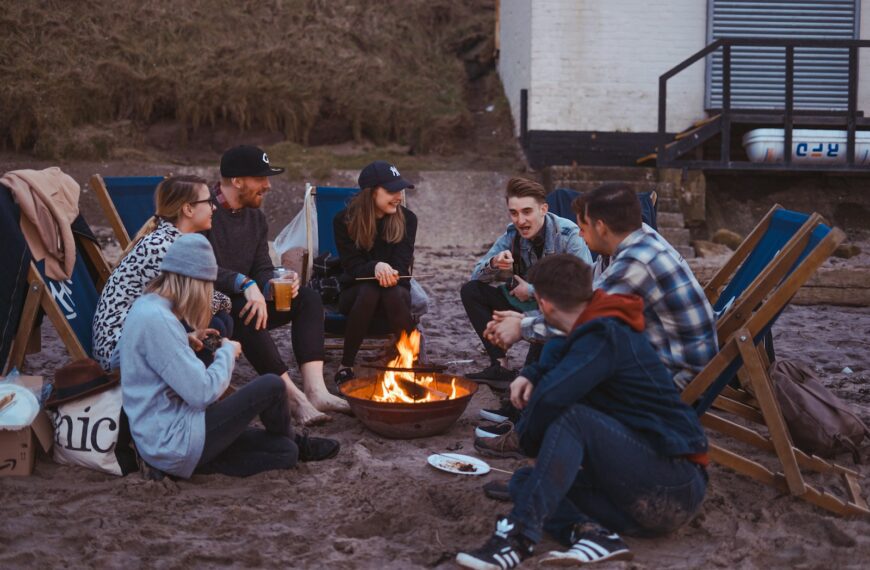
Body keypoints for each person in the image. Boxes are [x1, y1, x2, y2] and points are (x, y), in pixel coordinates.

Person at [456, 255, 708, 568]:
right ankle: (591, 534)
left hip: (673, 486)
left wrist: (528, 440)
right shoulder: (588, 322)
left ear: (543, 305)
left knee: (572, 419)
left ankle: (518, 539)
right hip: (632, 499)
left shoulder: (606, 333)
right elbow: (557, 352)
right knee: (525, 481)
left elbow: (551, 399)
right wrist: (532, 374)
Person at [119, 234, 340, 479]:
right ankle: (299, 443)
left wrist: (186, 340)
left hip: (169, 438)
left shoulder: (148, 306)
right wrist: (227, 352)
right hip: (174, 440)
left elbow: (155, 359)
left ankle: (291, 445)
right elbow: (202, 393)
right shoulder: (158, 320)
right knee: (272, 385)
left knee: (284, 453)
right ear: (194, 281)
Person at [485, 182, 717, 390]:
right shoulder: (628, 243)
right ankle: (524, 416)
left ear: (601, 227)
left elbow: (585, 318)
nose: (579, 234)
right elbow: (585, 296)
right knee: (559, 347)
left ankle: (527, 421)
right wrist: (527, 317)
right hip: (658, 352)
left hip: (679, 376)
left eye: (583, 228)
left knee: (570, 354)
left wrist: (521, 327)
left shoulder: (637, 262)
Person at [204, 145, 349, 426]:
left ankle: (316, 390)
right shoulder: (203, 210)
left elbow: (261, 265)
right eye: (261, 179)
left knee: (308, 298)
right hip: (213, 305)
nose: (268, 186)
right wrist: (246, 284)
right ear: (237, 181)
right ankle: (293, 398)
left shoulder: (255, 217)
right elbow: (200, 267)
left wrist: (274, 281)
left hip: (251, 297)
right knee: (245, 310)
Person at [460, 177, 592, 388]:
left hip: (556, 311)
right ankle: (500, 365)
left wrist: (531, 289)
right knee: (471, 291)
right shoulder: (512, 234)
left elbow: (584, 288)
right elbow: (475, 275)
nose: (520, 220)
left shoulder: (568, 235)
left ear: (543, 209)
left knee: (531, 378)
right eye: (514, 213)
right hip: (524, 305)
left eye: (527, 211)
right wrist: (495, 263)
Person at [92, 175, 233, 370]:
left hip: (141, 334)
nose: (214, 207)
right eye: (209, 202)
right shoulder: (163, 247)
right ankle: (196, 381)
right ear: (188, 209)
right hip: (121, 352)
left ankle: (199, 376)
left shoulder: (168, 239)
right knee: (215, 321)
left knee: (219, 321)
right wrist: (229, 299)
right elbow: (195, 302)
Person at [332, 161, 417, 385]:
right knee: (370, 289)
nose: (398, 196)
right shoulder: (344, 221)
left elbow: (401, 263)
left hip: (396, 294)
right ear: (371, 192)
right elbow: (352, 267)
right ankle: (346, 365)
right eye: (391, 191)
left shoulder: (408, 220)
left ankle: (408, 363)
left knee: (391, 291)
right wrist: (376, 266)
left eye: (400, 190)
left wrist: (388, 271)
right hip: (356, 295)